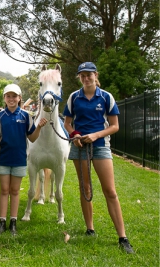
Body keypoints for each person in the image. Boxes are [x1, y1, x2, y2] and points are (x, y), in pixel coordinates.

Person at [63, 62, 134, 254]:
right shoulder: (74, 97)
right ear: (79, 78)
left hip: (101, 146)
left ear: (96, 75)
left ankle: (122, 237)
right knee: (85, 188)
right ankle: (90, 228)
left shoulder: (106, 97)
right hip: (80, 148)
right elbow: (67, 123)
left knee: (110, 190)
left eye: (89, 75)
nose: (86, 78)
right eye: (82, 75)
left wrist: (96, 135)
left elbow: (115, 125)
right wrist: (75, 135)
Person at [0, 84, 47, 235]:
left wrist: (39, 127)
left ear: (20, 98)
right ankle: (2, 222)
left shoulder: (26, 116)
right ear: (4, 98)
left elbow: (32, 138)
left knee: (14, 191)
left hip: (20, 159)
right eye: (8, 96)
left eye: (14, 96)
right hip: (3, 159)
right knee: (4, 190)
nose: (11, 99)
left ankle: (13, 222)